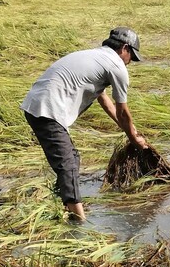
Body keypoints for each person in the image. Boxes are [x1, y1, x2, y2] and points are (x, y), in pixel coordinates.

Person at [21, 27, 148, 220]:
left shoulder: (95, 56)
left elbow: (104, 100)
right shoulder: (117, 66)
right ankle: (79, 222)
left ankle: (63, 201)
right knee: (68, 164)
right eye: (132, 57)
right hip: (48, 109)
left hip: (36, 105)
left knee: (72, 157)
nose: (130, 62)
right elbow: (123, 111)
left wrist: (131, 131)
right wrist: (134, 139)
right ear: (125, 48)